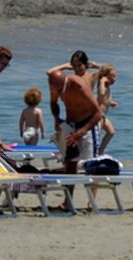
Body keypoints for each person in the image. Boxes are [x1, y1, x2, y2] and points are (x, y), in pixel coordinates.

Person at [47, 50, 104, 180]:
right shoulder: (55, 85)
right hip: (71, 124)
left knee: (90, 165)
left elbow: (98, 114)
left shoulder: (82, 84)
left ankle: (91, 201)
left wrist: (80, 133)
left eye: (79, 65)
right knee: (69, 163)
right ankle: (68, 200)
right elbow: (53, 103)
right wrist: (56, 120)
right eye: (74, 66)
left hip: (88, 123)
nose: (76, 68)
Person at [92, 65, 117, 156]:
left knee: (111, 132)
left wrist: (110, 103)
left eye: (115, 76)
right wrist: (102, 81)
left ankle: (100, 151)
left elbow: (102, 99)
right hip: (97, 116)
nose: (115, 79)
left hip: (102, 116)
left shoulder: (107, 86)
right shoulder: (103, 85)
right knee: (95, 137)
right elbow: (101, 94)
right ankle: (95, 153)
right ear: (106, 77)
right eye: (113, 76)